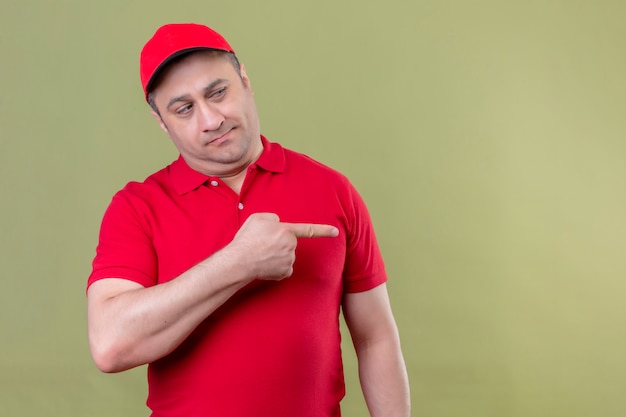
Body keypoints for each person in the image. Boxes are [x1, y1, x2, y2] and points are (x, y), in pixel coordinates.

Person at [87, 22, 410, 417]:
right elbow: (109, 345)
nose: (210, 119)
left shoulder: (333, 190)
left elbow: (375, 338)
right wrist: (239, 263)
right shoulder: (137, 207)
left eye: (218, 92)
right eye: (184, 108)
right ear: (161, 121)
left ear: (245, 80)